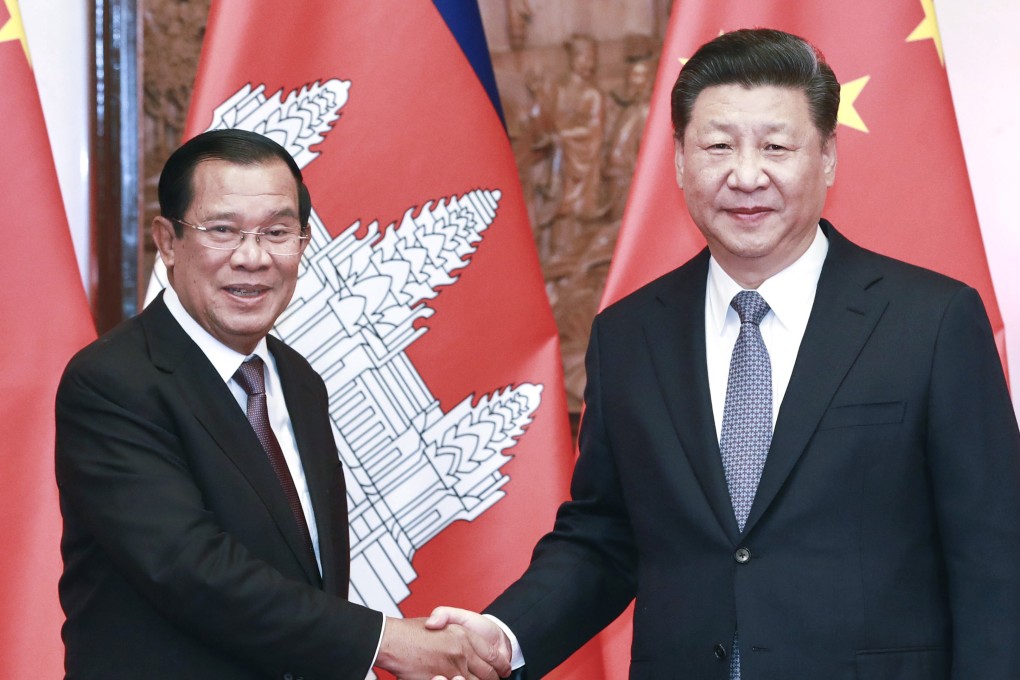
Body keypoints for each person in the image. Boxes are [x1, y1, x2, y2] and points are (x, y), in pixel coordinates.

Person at [426, 28, 1020, 679]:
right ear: (680, 162)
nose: (746, 175)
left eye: (775, 146)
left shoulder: (930, 322)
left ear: (827, 156)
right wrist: (503, 635)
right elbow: (605, 537)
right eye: (718, 146)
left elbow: (995, 560)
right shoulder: (629, 335)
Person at [55, 129, 508, 680]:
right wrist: (383, 642)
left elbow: (306, 572)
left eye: (276, 232)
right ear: (168, 242)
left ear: (303, 242)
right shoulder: (112, 382)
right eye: (222, 231)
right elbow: (190, 569)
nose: (252, 258)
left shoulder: (296, 379)